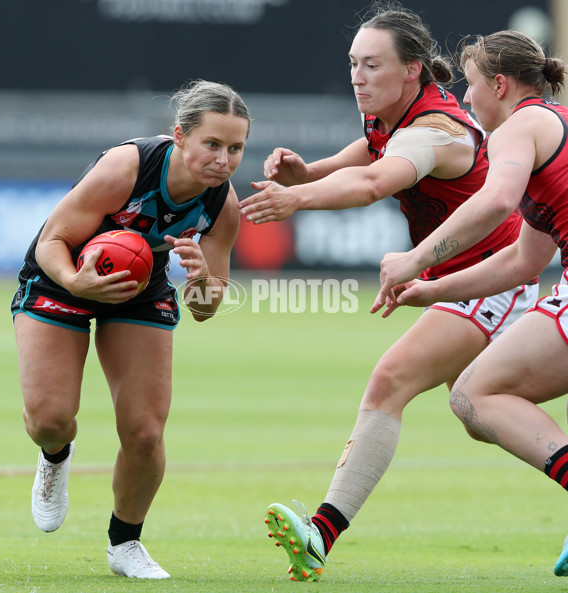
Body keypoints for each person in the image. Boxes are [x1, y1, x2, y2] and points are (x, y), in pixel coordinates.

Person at [238, 3, 538, 582]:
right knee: (479, 413)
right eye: (353, 63)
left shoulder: (435, 130)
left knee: (389, 381)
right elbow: (368, 155)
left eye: (372, 65)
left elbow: (379, 178)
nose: (357, 76)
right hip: (462, 278)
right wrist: (309, 173)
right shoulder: (390, 119)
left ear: (413, 70)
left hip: (492, 273)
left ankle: (320, 533)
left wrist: (296, 201)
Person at [10, 79, 250, 579]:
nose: (224, 160)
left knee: (144, 433)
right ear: (180, 136)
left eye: (235, 148)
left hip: (140, 288)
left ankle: (125, 544)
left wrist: (202, 278)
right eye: (212, 144)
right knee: (50, 418)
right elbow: (52, 240)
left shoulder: (221, 207)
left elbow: (207, 308)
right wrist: (78, 281)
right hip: (62, 277)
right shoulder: (127, 167)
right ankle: (56, 455)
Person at [372, 30, 568, 575]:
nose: (467, 101)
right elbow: (521, 262)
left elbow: (494, 200)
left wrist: (415, 259)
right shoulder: (555, 130)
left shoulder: (517, 126)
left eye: (473, 87)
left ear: (500, 85)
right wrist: (433, 288)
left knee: (474, 395)